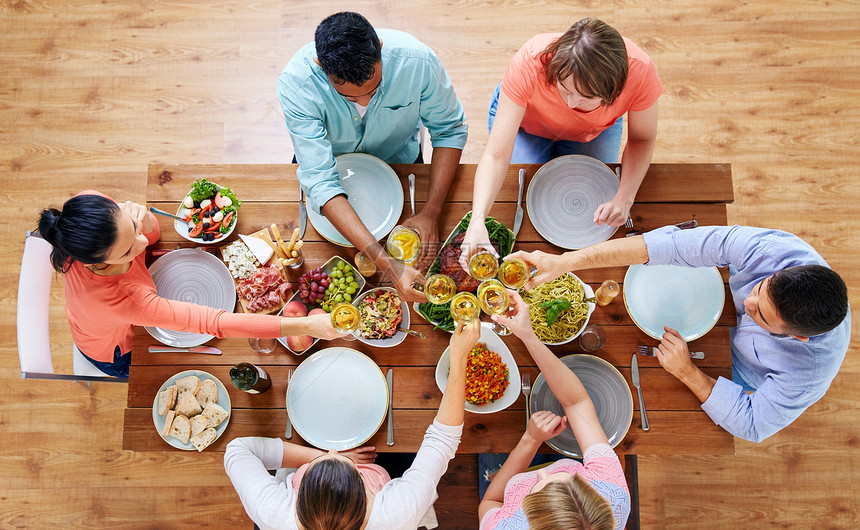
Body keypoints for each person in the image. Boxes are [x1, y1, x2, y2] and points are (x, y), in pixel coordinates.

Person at [508, 225, 851, 442]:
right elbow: (669, 246)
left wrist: (689, 373)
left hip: (728, 369)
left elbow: (753, 425)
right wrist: (568, 261)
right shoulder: (775, 250)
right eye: (759, 288)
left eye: (760, 313)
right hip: (697, 302)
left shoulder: (810, 372)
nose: (748, 301)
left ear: (798, 338)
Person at [37, 191, 343, 377]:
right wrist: (304, 327)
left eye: (132, 228)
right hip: (112, 348)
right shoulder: (123, 300)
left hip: (95, 314)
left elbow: (152, 234)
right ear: (96, 263)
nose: (141, 242)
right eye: (129, 250)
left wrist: (143, 223)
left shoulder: (85, 208)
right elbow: (216, 322)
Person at [277, 11, 468, 302]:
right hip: (332, 167)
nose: (364, 101)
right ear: (320, 66)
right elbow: (322, 182)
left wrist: (431, 213)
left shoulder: (419, 63)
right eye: (351, 98)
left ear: (379, 46)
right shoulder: (297, 85)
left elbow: (449, 131)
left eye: (374, 89)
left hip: (400, 160)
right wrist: (387, 264)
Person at [223, 320, 481, 530]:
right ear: (366, 493)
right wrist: (459, 357)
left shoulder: (271, 510)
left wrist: (325, 457)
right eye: (352, 467)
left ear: (298, 497)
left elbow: (238, 449)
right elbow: (443, 439)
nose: (333, 450)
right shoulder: (400, 509)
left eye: (323, 461)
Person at [461, 17, 662, 268]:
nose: (571, 103)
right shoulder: (529, 61)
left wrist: (625, 197)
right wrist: (477, 220)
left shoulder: (641, 71)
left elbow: (642, 139)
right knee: (527, 188)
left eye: (586, 97)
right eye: (564, 87)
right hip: (527, 126)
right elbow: (495, 155)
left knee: (589, 194)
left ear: (615, 91)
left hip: (594, 130)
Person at [479, 290, 630, 529]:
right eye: (574, 480)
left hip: (515, 466)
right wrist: (528, 336)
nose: (541, 474)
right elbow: (577, 402)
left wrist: (530, 440)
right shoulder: (612, 495)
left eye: (536, 490)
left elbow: (491, 500)